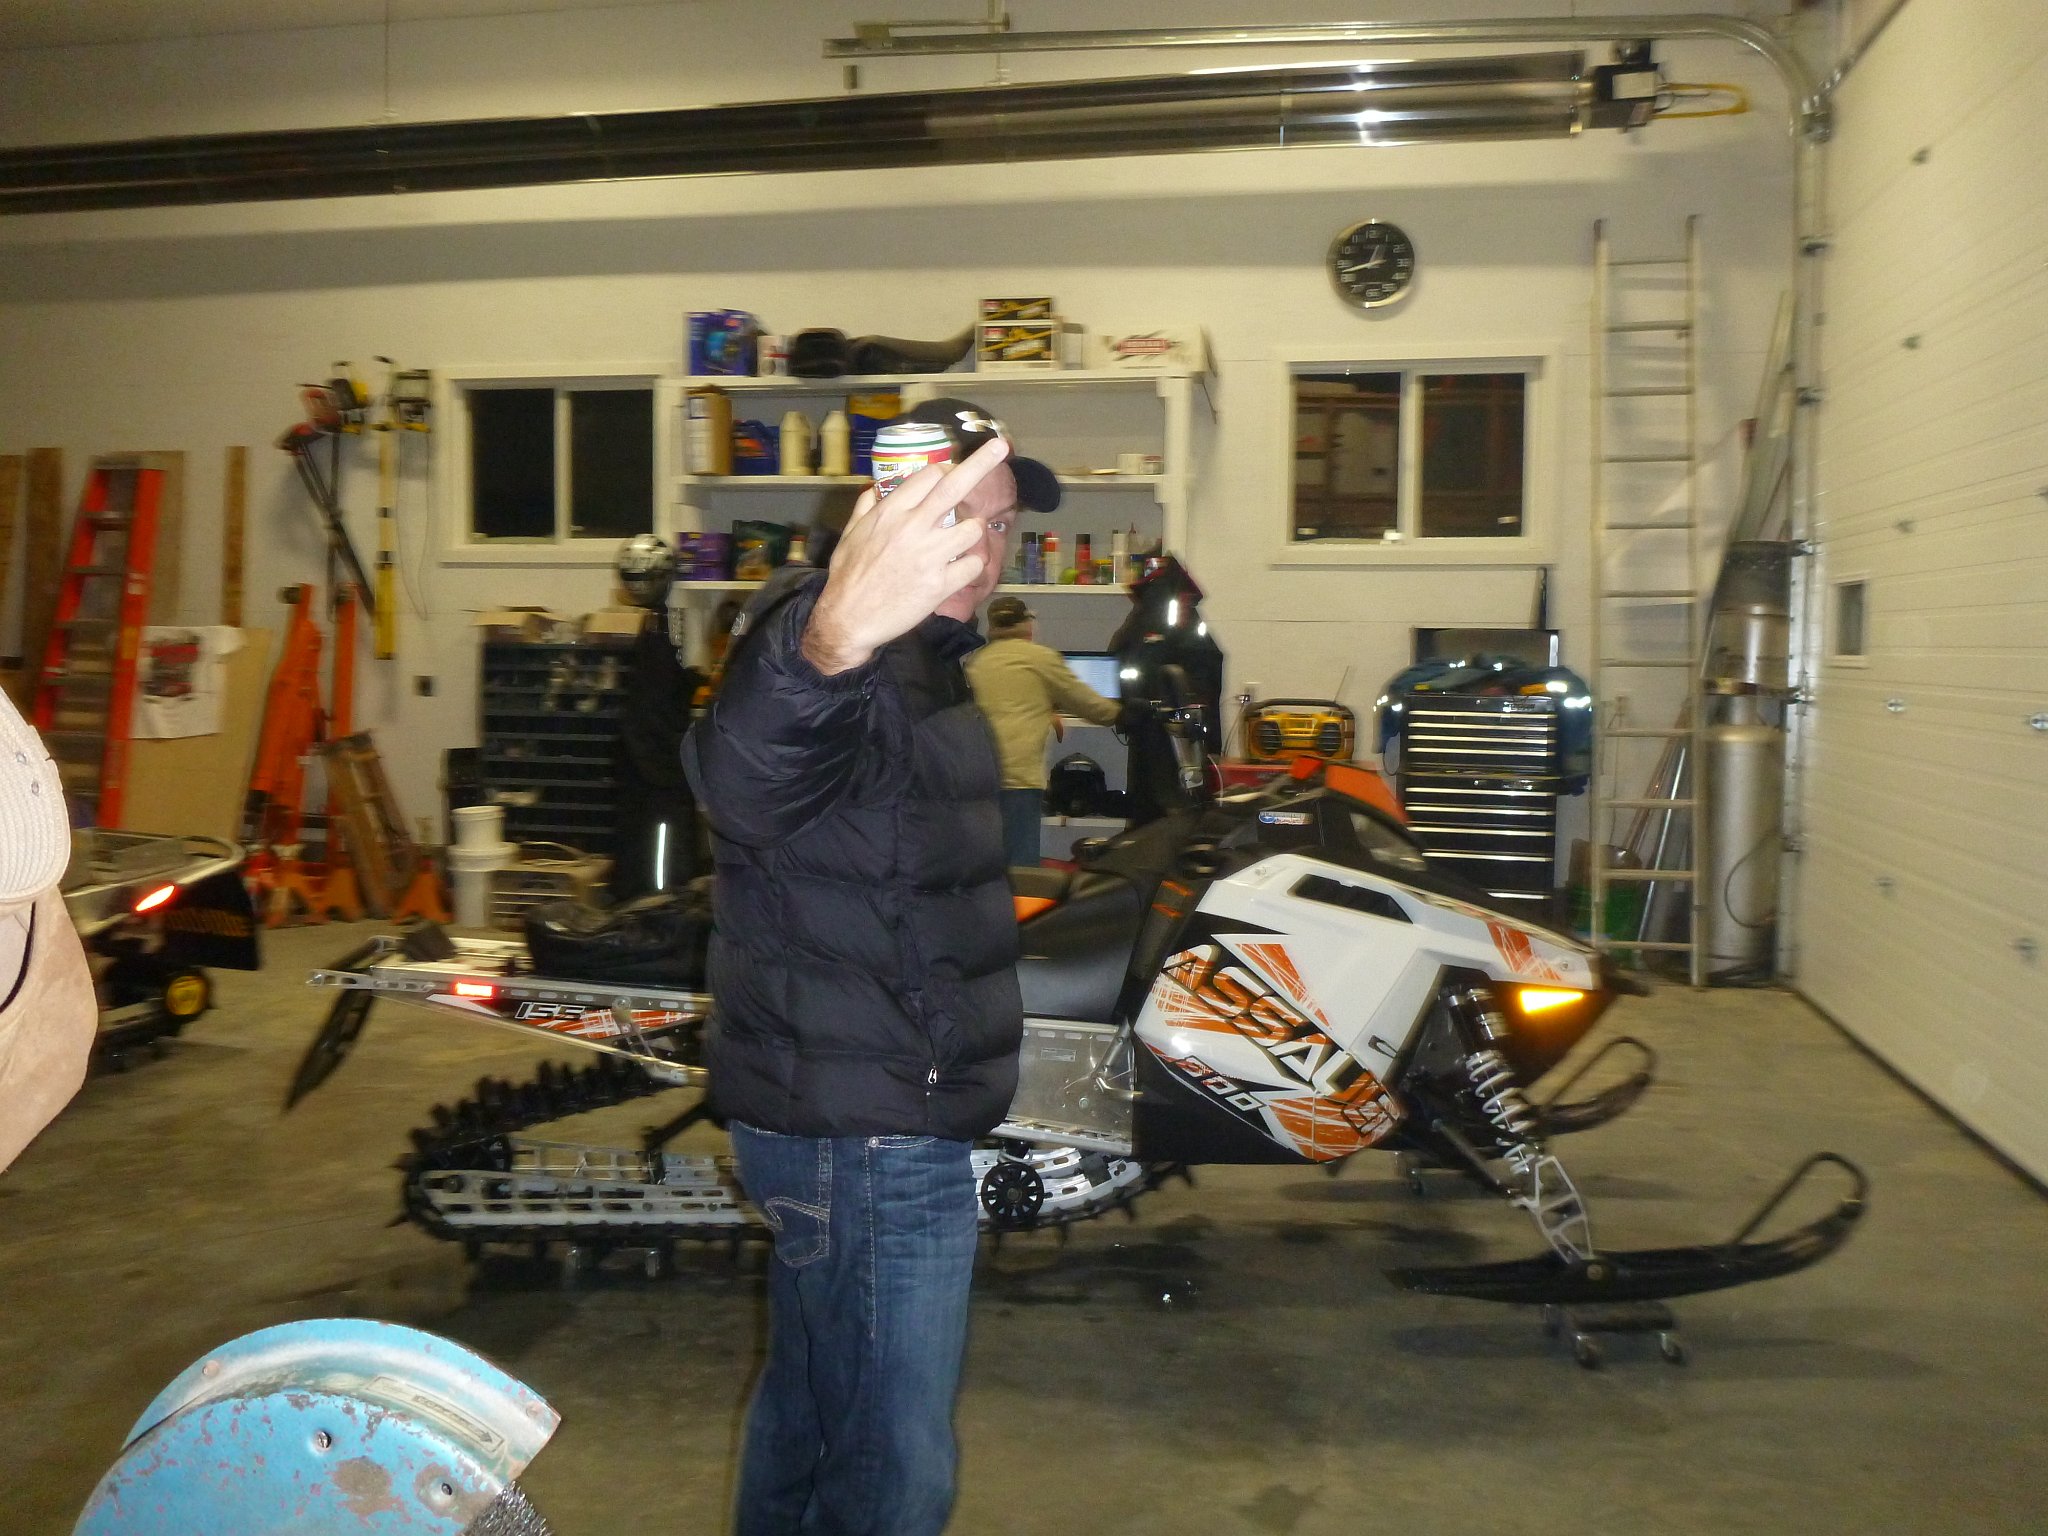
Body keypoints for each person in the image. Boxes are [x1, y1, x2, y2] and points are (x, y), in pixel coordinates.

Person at [682, 397, 1062, 1536]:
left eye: (1001, 522)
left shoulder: (934, 664)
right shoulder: (826, 638)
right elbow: (744, 782)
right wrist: (830, 641)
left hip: (867, 1110)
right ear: (885, 513)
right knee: (893, 1467)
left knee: (813, 1414)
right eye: (959, 514)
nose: (985, 548)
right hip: (867, 1135)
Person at [964, 595, 1122, 869]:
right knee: (1021, 865)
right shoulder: (1040, 658)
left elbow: (1002, 702)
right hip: (1019, 778)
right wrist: (1124, 713)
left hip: (980, 778)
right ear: (1027, 623)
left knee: (987, 864)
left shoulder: (978, 661)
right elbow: (1088, 704)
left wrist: (1046, 709)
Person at [608, 534, 704, 901]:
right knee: (660, 859)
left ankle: (650, 906)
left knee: (649, 847)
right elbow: (657, 698)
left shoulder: (659, 625)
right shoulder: (647, 629)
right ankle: (659, 910)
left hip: (644, 765)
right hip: (656, 767)